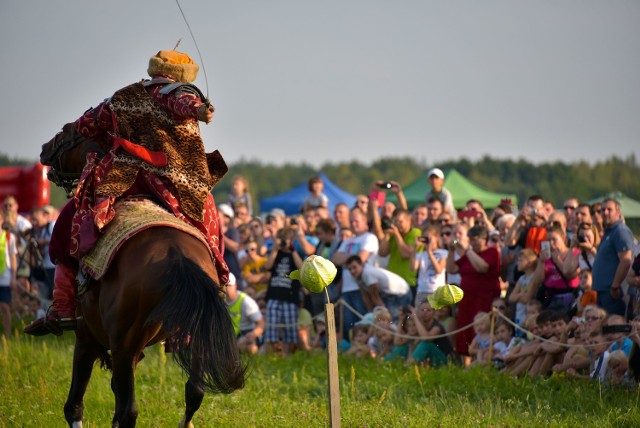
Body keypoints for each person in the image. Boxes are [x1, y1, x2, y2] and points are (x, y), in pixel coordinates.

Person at [25, 50, 229, 336]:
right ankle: (218, 277)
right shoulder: (177, 93)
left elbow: (87, 123)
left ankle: (62, 306)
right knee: (208, 213)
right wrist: (199, 112)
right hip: (177, 184)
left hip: (125, 178)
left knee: (73, 217)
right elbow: (183, 103)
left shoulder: (123, 96)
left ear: (154, 69)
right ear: (185, 75)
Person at [447, 225, 501, 361]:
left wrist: (467, 250)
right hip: (467, 299)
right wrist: (451, 251)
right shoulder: (469, 255)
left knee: (480, 328)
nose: (473, 243)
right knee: (465, 329)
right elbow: (452, 269)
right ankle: (466, 362)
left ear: (484, 239)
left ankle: (481, 361)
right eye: (471, 240)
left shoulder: (491, 252)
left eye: (476, 240)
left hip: (483, 298)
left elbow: (482, 267)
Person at [332, 208, 379, 340]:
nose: (353, 224)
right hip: (347, 288)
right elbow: (335, 258)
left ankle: (363, 350)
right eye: (351, 221)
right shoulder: (347, 241)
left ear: (365, 222)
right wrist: (352, 258)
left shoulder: (370, 238)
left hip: (362, 287)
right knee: (347, 322)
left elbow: (360, 259)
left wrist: (345, 258)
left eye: (357, 221)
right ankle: (350, 351)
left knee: (362, 321)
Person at [263, 227, 303, 355]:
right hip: (274, 295)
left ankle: (288, 355)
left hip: (290, 296)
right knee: (272, 328)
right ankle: (273, 354)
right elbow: (267, 266)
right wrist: (275, 249)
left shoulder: (295, 255)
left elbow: (302, 268)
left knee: (290, 329)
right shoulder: (275, 254)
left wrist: (292, 250)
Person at [591, 198, 634, 316]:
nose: (605, 213)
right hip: (603, 292)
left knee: (613, 330)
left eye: (609, 209)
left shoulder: (620, 231)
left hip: (612, 294)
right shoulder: (609, 232)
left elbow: (626, 261)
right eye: (603, 210)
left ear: (618, 212)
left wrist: (615, 286)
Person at [345, 255, 412, 322]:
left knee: (393, 320)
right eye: (350, 269)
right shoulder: (356, 275)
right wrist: (370, 314)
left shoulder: (367, 273)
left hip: (401, 293)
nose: (352, 271)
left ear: (362, 265)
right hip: (389, 294)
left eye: (354, 267)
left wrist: (383, 313)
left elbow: (375, 296)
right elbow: (365, 295)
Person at [374, 208, 421, 298]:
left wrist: (396, 233)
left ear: (409, 220)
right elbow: (382, 253)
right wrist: (387, 235)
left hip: (407, 283)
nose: (397, 225)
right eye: (395, 222)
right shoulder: (394, 235)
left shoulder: (416, 233)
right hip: (392, 282)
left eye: (400, 222)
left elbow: (406, 254)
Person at [225, 273, 264, 355]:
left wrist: (253, 334)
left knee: (250, 347)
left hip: (245, 334)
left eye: (229, 286)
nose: (227, 289)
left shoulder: (246, 301)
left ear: (235, 285)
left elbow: (262, 323)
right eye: (225, 286)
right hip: (229, 335)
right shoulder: (221, 301)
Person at [410, 224, 447, 306]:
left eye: (430, 238)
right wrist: (415, 249)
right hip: (422, 290)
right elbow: (412, 268)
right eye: (425, 238)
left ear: (437, 238)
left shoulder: (443, 253)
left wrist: (430, 253)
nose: (428, 241)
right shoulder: (421, 254)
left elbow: (439, 270)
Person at [508, 248, 538, 335]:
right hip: (519, 314)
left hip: (528, 315)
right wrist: (521, 294)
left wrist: (517, 296)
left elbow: (527, 299)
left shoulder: (533, 277)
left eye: (521, 260)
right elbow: (511, 298)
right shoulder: (521, 278)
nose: (518, 263)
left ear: (529, 263)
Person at [0, 210, 18, 338]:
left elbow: (13, 258)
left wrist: (14, 277)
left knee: (5, 306)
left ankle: (8, 334)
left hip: (5, 277)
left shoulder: (9, 237)